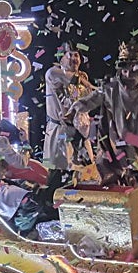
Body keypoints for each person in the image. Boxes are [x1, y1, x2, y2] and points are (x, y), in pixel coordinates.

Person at [71, 41, 138, 243]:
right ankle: (124, 236)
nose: (128, 74)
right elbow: (90, 100)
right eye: (125, 68)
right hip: (117, 145)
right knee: (120, 188)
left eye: (133, 69)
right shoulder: (109, 88)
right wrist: (76, 106)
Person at [43, 43, 93, 183]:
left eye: (76, 55)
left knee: (85, 174)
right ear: (62, 58)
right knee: (59, 175)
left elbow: (78, 98)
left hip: (79, 131)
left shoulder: (82, 77)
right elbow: (68, 77)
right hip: (60, 132)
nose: (73, 59)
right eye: (69, 55)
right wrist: (90, 86)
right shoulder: (53, 73)